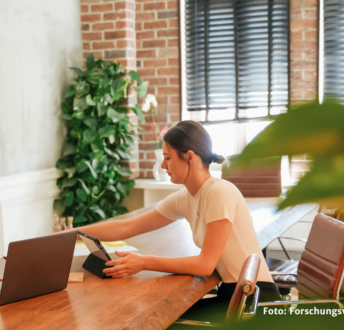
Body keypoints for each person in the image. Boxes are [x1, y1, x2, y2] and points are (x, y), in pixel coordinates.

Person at [69, 120, 281, 320]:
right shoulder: (186, 196)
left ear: (189, 156)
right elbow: (128, 226)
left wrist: (144, 262)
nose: (162, 165)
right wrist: (71, 235)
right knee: (157, 313)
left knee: (156, 317)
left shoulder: (219, 193)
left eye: (168, 157)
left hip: (254, 301)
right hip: (232, 295)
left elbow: (205, 265)